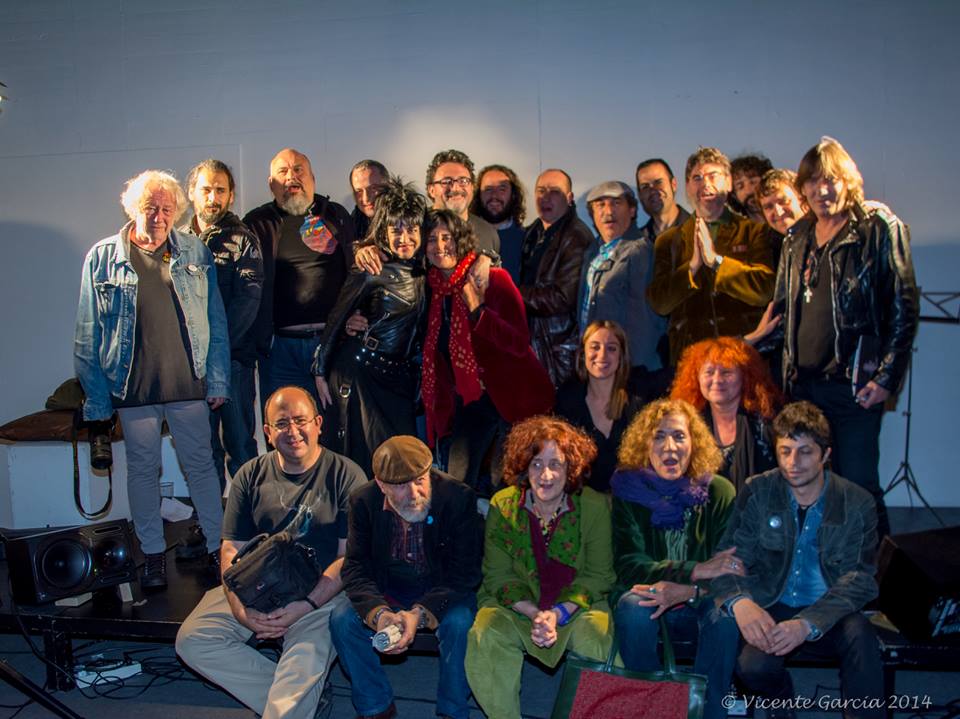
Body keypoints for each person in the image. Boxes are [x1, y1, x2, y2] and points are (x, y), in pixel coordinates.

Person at [748, 137, 919, 538]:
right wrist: (745, 349)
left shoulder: (877, 227)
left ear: (849, 181)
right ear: (803, 187)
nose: (822, 190)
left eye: (831, 180)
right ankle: (825, 575)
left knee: (859, 487)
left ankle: (881, 583)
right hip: (803, 388)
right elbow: (783, 314)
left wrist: (886, 378)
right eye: (813, 182)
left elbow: (904, 307)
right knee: (810, 488)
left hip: (855, 387)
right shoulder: (797, 238)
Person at [74, 170, 229, 589]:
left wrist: (217, 379)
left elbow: (215, 319)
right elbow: (87, 334)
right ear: (132, 209)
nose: (158, 217)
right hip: (133, 385)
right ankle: (154, 554)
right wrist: (97, 400)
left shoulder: (194, 250)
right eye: (150, 208)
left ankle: (219, 551)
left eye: (166, 209)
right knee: (142, 470)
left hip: (186, 381)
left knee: (201, 467)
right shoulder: (102, 257)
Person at [175, 386, 367, 719]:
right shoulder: (249, 475)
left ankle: (296, 696)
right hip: (254, 584)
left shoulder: (346, 475)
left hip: (318, 589)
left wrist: (305, 605)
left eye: (300, 420)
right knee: (193, 640)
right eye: (281, 424)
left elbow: (346, 559)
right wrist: (239, 609)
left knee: (302, 662)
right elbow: (230, 548)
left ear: (318, 423)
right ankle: (305, 696)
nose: (292, 431)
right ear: (267, 432)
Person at [712, 401, 883, 719]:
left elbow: (859, 578)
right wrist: (740, 603)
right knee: (752, 667)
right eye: (785, 451)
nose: (793, 462)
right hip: (770, 603)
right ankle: (781, 702)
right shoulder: (758, 490)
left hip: (829, 610)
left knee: (862, 638)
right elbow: (726, 560)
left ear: (826, 455)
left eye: (805, 452)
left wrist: (807, 624)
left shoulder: (857, 501)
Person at [465, 416, 615, 719]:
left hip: (576, 608)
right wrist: (535, 615)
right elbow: (498, 575)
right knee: (487, 629)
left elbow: (598, 575)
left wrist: (558, 614)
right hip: (518, 608)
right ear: (523, 467)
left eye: (556, 464)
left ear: (570, 467)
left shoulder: (595, 506)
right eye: (536, 464)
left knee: (595, 634)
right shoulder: (503, 504)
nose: (545, 475)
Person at [331, 436, 483, 719]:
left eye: (420, 480)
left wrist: (420, 615)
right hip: (388, 588)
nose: (414, 493)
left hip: (443, 588)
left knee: (460, 623)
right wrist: (379, 614)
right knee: (341, 620)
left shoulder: (457, 497)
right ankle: (375, 706)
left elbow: (466, 572)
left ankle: (453, 710)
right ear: (381, 484)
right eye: (401, 485)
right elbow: (355, 568)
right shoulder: (363, 501)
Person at [610, 398, 741, 719]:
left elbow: (729, 569)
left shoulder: (719, 492)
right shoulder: (628, 492)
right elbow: (629, 565)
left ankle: (709, 711)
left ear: (694, 443)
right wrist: (695, 570)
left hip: (702, 601)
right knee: (632, 605)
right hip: (648, 597)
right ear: (645, 443)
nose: (670, 446)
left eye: (680, 436)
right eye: (659, 436)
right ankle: (655, 709)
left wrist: (688, 589)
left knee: (726, 612)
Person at [421, 209, 554, 494]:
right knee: (456, 482)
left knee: (504, 484)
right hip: (472, 398)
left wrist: (477, 310)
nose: (440, 246)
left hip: (514, 397)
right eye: (432, 239)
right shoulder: (432, 290)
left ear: (463, 240)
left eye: (448, 237)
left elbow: (518, 342)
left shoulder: (494, 278)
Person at [312, 178, 427, 476]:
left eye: (411, 229)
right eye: (396, 229)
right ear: (384, 231)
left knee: (402, 463)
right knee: (366, 465)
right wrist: (320, 372)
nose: (405, 237)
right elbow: (337, 319)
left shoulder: (426, 269)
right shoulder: (371, 266)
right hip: (361, 373)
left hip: (399, 378)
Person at [243, 148, 356, 409]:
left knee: (333, 430)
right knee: (285, 430)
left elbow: (357, 271)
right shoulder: (257, 223)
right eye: (282, 172)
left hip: (332, 345)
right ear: (272, 185)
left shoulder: (336, 215)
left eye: (298, 170)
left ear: (312, 178)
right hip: (280, 351)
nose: (291, 177)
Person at [648, 147, 775, 365]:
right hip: (691, 362)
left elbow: (765, 290)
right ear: (687, 187)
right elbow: (659, 302)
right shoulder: (668, 241)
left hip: (744, 357)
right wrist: (692, 268)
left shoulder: (754, 231)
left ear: (728, 183)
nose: (705, 184)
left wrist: (717, 262)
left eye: (713, 176)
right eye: (697, 177)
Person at [183, 159, 264, 491]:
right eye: (206, 190)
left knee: (241, 447)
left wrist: (215, 352)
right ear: (192, 193)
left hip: (233, 362)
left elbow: (248, 303)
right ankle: (210, 526)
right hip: (190, 368)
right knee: (202, 452)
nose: (212, 198)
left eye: (220, 190)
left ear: (231, 196)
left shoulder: (244, 239)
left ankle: (250, 527)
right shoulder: (179, 242)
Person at [578, 181, 669, 396]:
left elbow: (645, 319)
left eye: (616, 203)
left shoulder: (639, 251)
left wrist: (632, 370)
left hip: (629, 373)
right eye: (600, 205)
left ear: (632, 210)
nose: (608, 212)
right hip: (600, 367)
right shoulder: (593, 251)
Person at [669, 337, 780, 491]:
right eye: (709, 372)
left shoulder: (767, 422)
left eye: (726, 372)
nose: (717, 380)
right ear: (696, 378)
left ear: (745, 377)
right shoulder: (687, 426)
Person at [519, 168, 593, 387]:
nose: (546, 197)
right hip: (534, 347)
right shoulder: (534, 232)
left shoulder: (576, 236)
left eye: (555, 192)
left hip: (558, 354)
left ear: (570, 199)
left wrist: (512, 293)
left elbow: (561, 297)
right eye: (541, 190)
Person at [555, 320, 643, 492]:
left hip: (627, 501)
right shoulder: (567, 399)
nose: (602, 355)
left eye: (611, 348)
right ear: (583, 354)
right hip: (581, 503)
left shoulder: (636, 402)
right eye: (595, 347)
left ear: (621, 356)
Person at [425, 148, 499, 254]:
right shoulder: (416, 228)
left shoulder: (488, 233)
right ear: (431, 190)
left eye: (463, 181)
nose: (455, 188)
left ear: (472, 187)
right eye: (446, 181)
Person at [473, 164, 527, 281]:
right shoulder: (464, 237)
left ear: (513, 195)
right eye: (488, 189)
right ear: (478, 195)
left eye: (502, 189)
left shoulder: (528, 240)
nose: (494, 195)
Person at [635, 157, 691, 242]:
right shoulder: (636, 243)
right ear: (640, 195)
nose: (653, 191)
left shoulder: (700, 232)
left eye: (658, 182)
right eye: (645, 187)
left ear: (673, 184)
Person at [349, 159, 389, 243]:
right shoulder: (351, 223)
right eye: (359, 191)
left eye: (373, 188)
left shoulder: (409, 216)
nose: (366, 198)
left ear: (389, 186)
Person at [730, 153, 774, 223]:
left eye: (753, 182)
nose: (748, 191)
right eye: (740, 186)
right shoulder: (737, 231)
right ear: (734, 196)